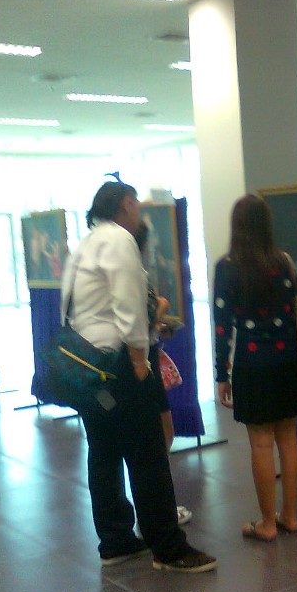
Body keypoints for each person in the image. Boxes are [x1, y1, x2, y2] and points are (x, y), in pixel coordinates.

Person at [62, 181, 215, 572]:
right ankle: (168, 546)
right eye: (137, 206)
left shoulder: (86, 243)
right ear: (126, 204)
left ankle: (115, 540)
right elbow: (128, 302)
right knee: (148, 454)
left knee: (104, 452)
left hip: (88, 365)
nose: (140, 214)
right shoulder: (119, 240)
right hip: (119, 364)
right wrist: (138, 358)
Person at [213, 194, 297, 542]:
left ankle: (268, 523)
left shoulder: (228, 267)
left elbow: (222, 325)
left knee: (261, 443)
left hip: (253, 363)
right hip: (289, 360)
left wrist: (221, 373)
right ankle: (290, 516)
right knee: (289, 438)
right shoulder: (283, 262)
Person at [134, 219, 192, 526]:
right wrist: (160, 309)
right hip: (141, 361)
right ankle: (159, 510)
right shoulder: (134, 276)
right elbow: (140, 322)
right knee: (160, 432)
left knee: (156, 433)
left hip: (141, 358)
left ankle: (153, 507)